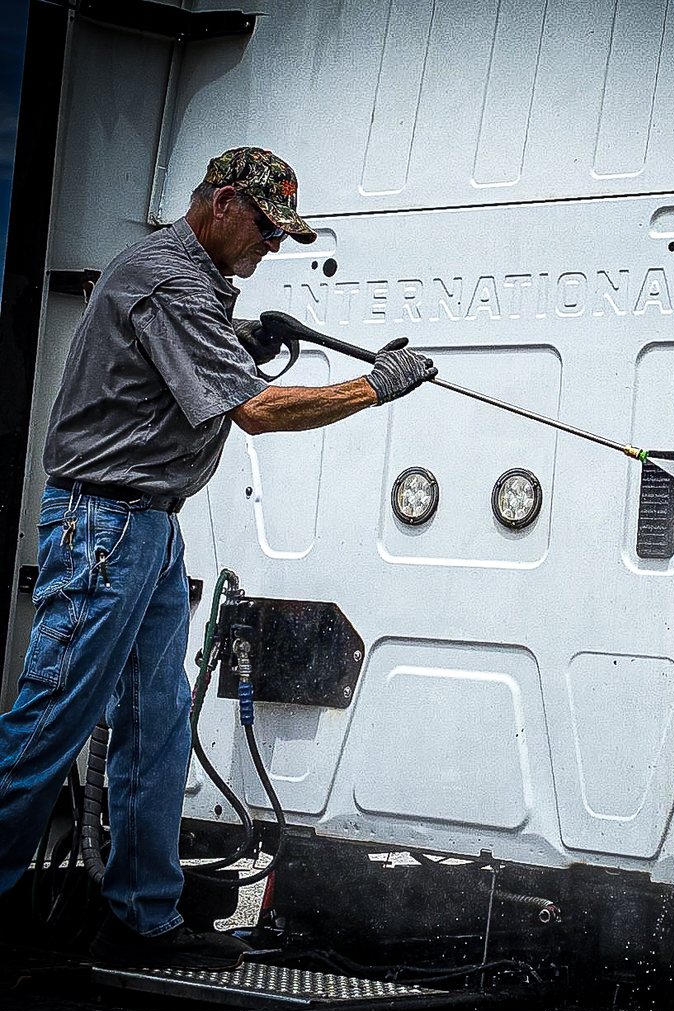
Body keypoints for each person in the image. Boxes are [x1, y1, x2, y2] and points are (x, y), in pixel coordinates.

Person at [0, 146, 436, 969]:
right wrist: (373, 386)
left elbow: (180, 361)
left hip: (148, 530)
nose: (274, 247)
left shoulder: (191, 285)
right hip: (105, 524)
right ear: (225, 202)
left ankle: (141, 918)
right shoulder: (170, 278)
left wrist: (238, 337)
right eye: (269, 229)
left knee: (157, 724)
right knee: (49, 723)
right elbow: (260, 414)